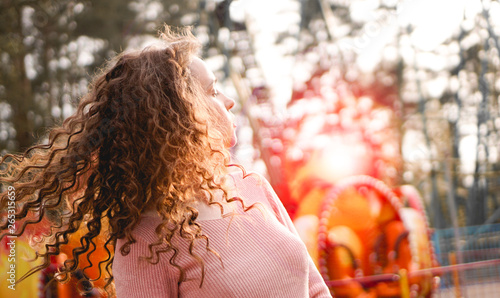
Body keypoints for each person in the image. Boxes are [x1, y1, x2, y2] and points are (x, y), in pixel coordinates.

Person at [0, 26, 331, 297]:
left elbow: (315, 288)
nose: (229, 101)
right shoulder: (145, 242)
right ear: (178, 116)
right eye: (213, 91)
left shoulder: (252, 186)